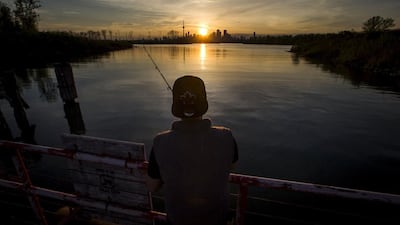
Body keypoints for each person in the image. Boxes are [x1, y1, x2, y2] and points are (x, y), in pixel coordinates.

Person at [146, 75, 238, 225]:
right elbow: (231, 166)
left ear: (176, 105)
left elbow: (152, 186)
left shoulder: (160, 142)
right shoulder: (227, 136)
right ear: (204, 102)